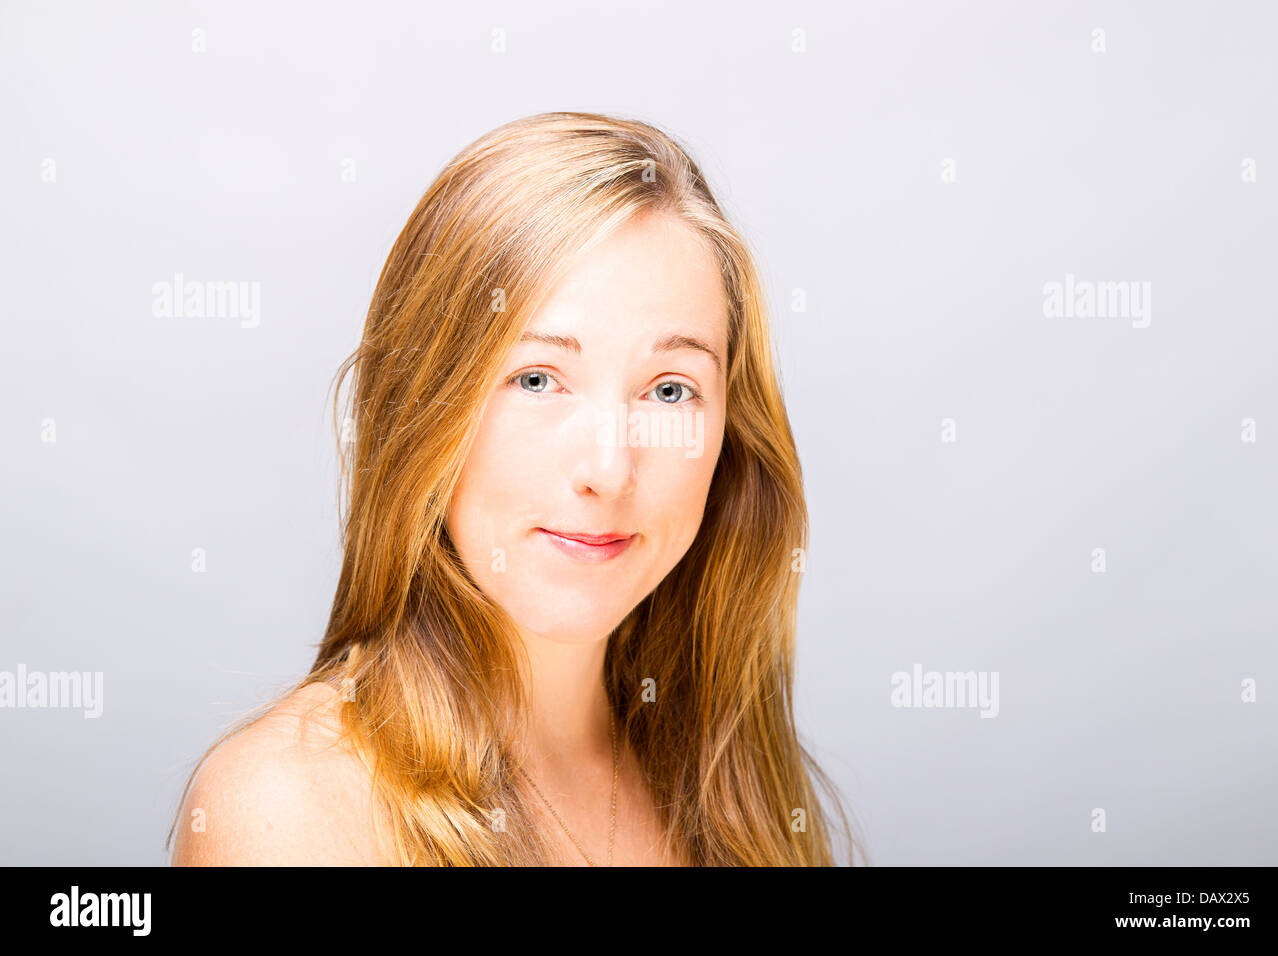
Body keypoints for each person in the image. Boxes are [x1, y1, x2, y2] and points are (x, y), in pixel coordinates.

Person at [168, 111, 856, 866]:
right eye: (537, 379)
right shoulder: (291, 809)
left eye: (668, 391)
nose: (608, 469)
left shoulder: (733, 789)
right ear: (426, 407)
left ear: (730, 438)